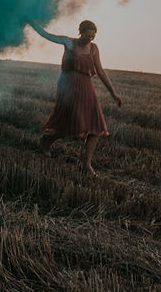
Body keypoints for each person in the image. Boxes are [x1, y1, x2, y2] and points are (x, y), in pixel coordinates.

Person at [30, 20, 123, 176]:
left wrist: (113, 92)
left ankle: (86, 164)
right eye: (87, 36)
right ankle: (47, 140)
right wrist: (31, 23)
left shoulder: (94, 48)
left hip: (86, 87)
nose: (90, 39)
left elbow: (100, 71)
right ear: (80, 32)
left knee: (96, 126)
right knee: (70, 125)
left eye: (92, 37)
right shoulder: (68, 42)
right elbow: (47, 35)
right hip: (68, 86)